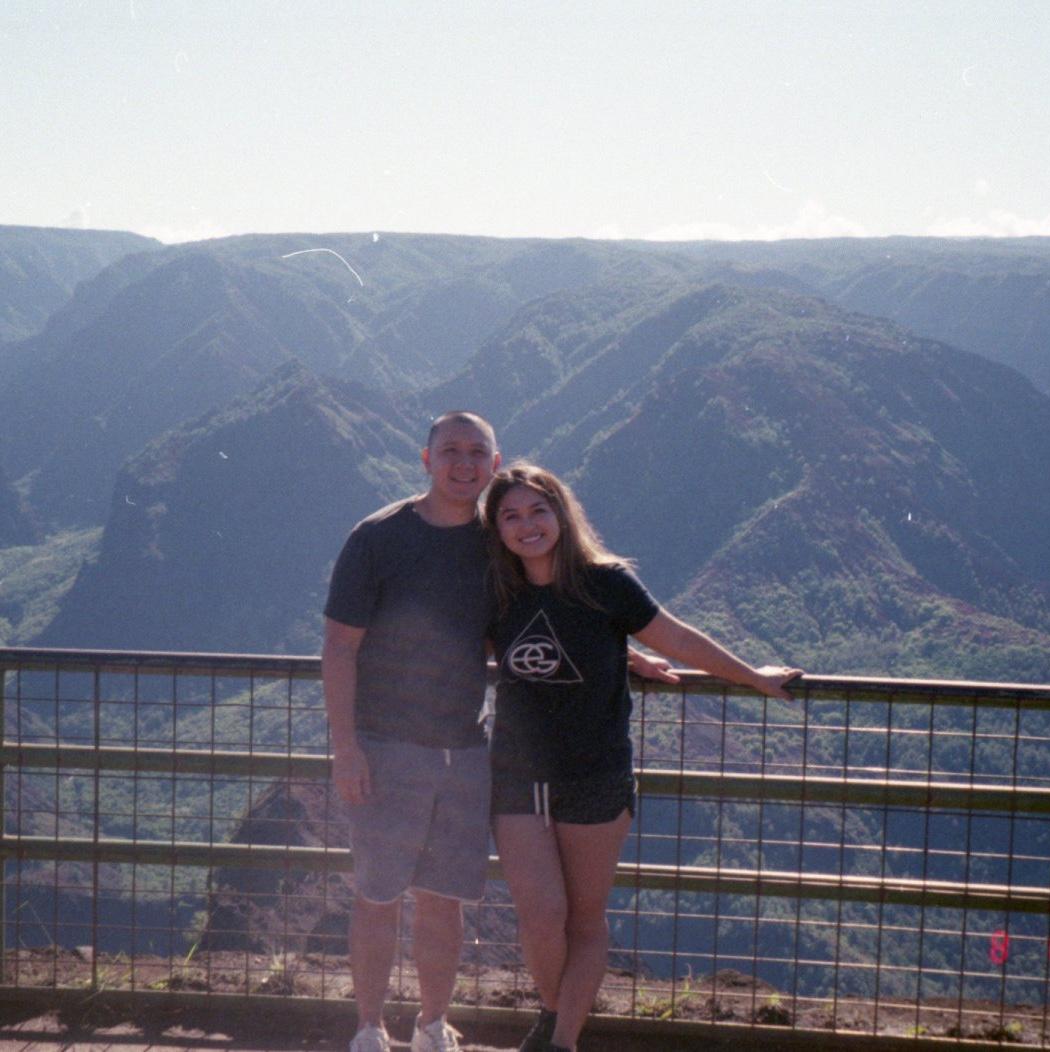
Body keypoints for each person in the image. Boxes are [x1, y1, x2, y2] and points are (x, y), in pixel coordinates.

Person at [483, 462, 802, 1052]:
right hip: (516, 774)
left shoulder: (606, 583)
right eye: (511, 515)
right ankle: (554, 1012)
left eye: (538, 510)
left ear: (562, 514)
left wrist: (754, 678)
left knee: (584, 918)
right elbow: (477, 646)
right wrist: (627, 656)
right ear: (496, 528)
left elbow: (676, 638)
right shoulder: (497, 591)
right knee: (541, 915)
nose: (527, 525)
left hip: (596, 773)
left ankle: (560, 1041)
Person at [323, 411, 501, 1052]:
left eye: (476, 452)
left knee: (443, 900)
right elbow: (339, 646)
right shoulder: (378, 537)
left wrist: (625, 654)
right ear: (426, 460)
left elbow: (539, 620)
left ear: (495, 465)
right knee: (378, 895)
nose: (463, 463)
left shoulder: (499, 542)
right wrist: (347, 748)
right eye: (450, 450)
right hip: (385, 747)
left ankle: (431, 1025)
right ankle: (369, 1027)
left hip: (464, 749)